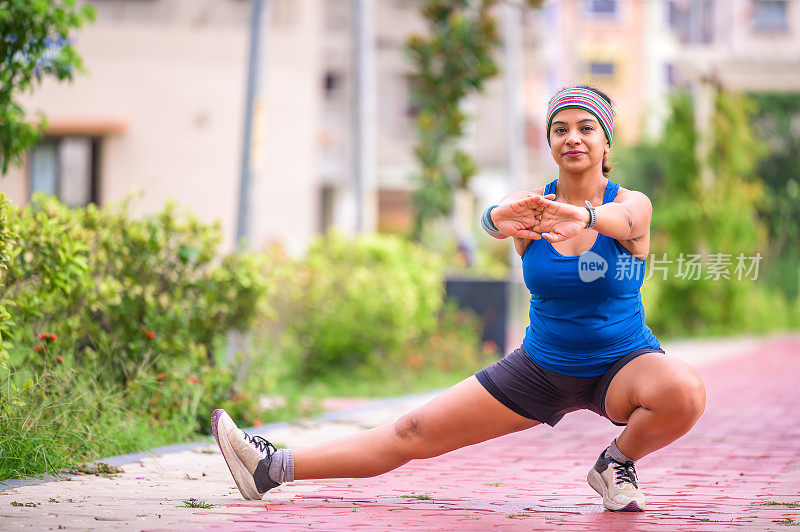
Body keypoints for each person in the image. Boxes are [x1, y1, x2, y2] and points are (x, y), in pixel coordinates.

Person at [210, 85, 706, 512]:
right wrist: (494, 218)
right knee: (412, 432)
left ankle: (615, 465)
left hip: (621, 362)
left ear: (605, 140)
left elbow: (630, 223)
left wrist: (587, 219)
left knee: (683, 391)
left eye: (585, 128)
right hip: (540, 366)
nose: (573, 138)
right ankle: (270, 467)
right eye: (560, 129)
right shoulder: (533, 208)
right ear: (550, 141)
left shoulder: (627, 203)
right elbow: (494, 219)